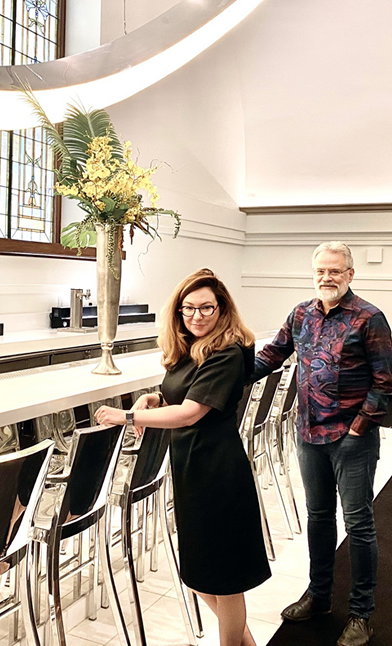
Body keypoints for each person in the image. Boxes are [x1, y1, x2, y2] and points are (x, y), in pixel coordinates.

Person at [95, 268, 270, 646]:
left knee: (224, 578)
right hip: (191, 467)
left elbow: (191, 412)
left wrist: (128, 415)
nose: (197, 316)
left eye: (207, 307)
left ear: (222, 309)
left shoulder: (227, 351)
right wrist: (155, 399)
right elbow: (181, 397)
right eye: (188, 308)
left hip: (217, 470)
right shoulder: (190, 348)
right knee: (200, 572)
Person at [252, 242, 392, 646]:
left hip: (352, 440)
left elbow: (386, 384)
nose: (326, 278)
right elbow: (271, 356)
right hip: (308, 435)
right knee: (318, 518)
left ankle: (361, 614)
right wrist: (221, 371)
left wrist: (358, 429)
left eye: (335, 271)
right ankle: (318, 597)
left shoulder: (369, 318)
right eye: (320, 271)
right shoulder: (301, 313)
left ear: (350, 274)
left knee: (359, 525)